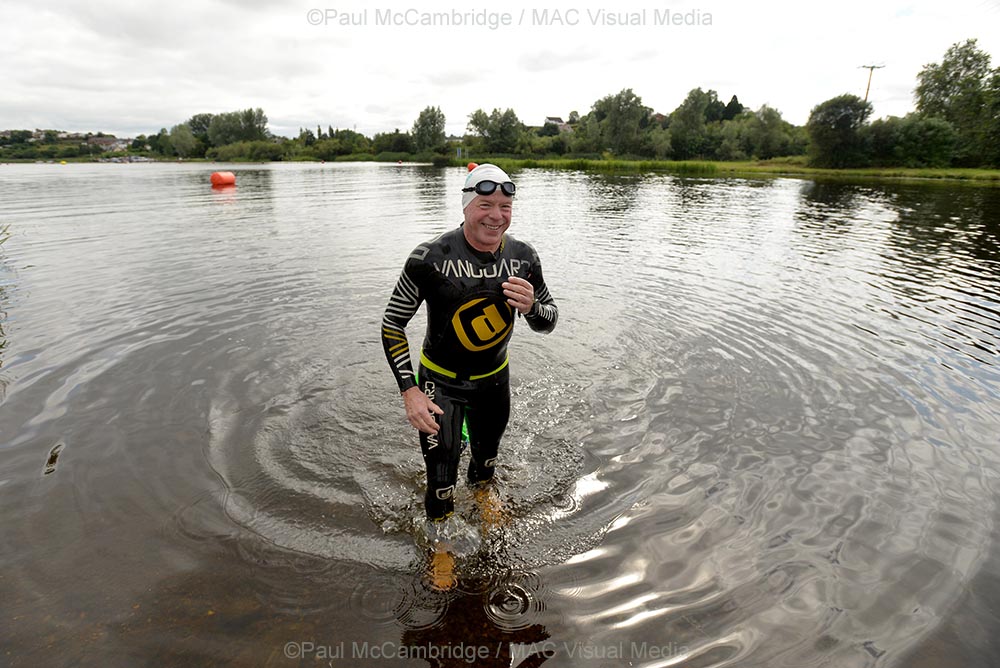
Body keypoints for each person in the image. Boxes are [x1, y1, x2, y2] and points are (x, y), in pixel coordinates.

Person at [381, 163, 558, 527]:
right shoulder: (429, 258)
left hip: (494, 382)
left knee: (486, 464)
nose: (496, 216)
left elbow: (549, 320)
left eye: (505, 207)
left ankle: (482, 501)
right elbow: (393, 324)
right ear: (466, 207)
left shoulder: (523, 257)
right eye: (485, 205)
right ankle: (440, 544)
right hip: (440, 384)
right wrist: (410, 391)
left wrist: (532, 307)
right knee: (441, 479)